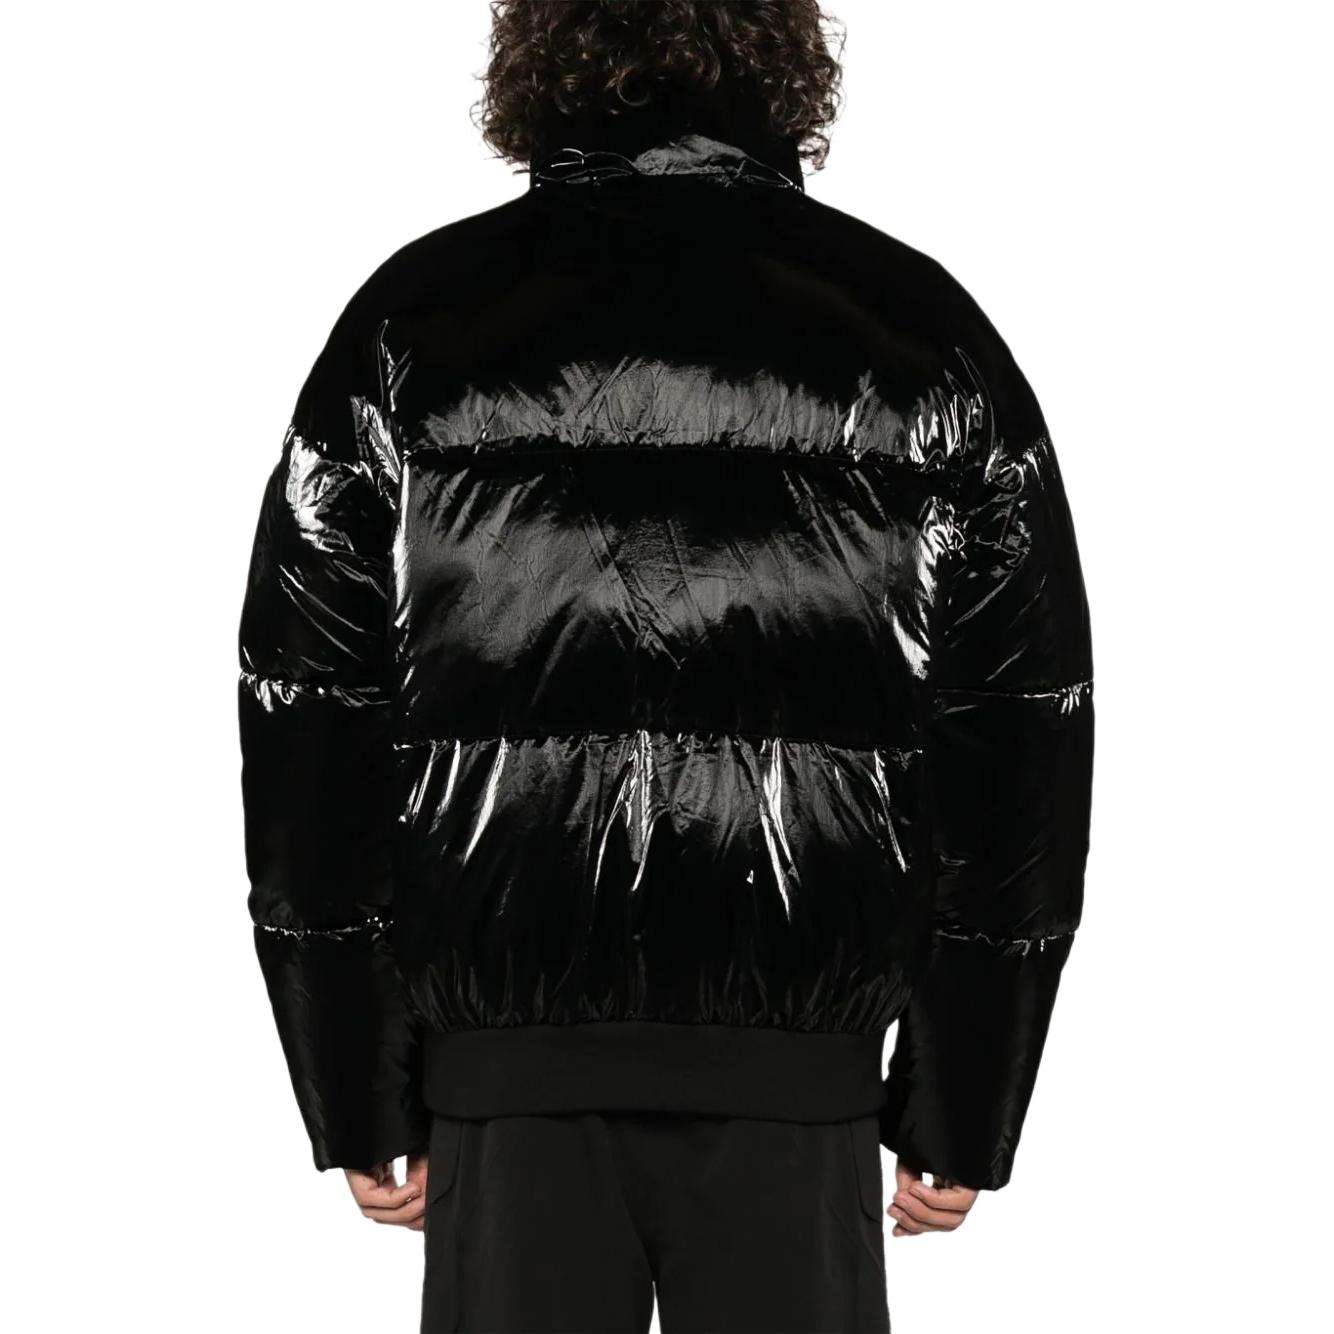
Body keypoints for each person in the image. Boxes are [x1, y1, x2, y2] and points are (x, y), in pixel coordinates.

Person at [235, 2, 1095, 1330]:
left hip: (509, 1079)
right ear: (783, 58)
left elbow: (310, 717)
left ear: (538, 56)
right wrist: (963, 1093)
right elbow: (1018, 726)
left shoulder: (415, 318)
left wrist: (356, 1077)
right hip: (795, 1077)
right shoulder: (914, 324)